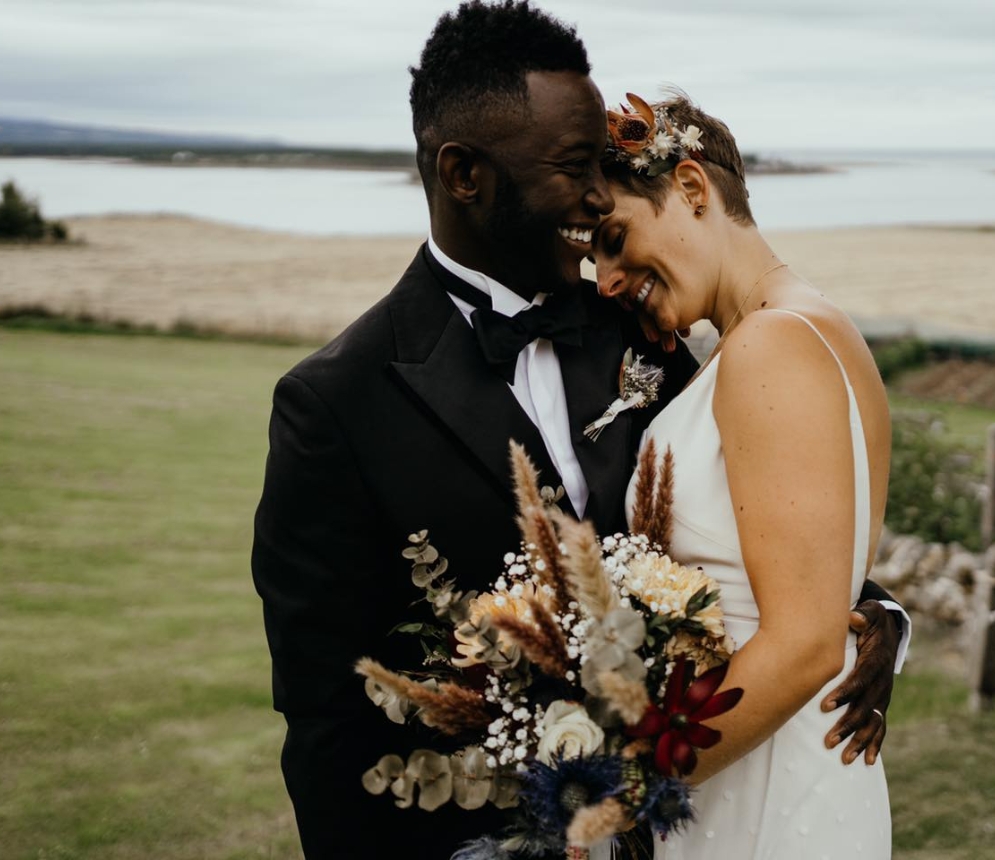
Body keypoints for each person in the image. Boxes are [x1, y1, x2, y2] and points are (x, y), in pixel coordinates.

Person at [251, 4, 906, 858]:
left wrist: (868, 611)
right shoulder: (335, 405)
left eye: (606, 172)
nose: (598, 196)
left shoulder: (650, 334)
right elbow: (327, 725)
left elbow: (771, 528)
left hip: (691, 811)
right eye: (574, 169)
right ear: (464, 174)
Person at [592, 92, 897, 857]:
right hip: (767, 765)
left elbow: (803, 643)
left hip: (763, 792)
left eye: (615, 237)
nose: (605, 279)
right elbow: (830, 589)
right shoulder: (813, 327)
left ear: (692, 189)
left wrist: (626, 782)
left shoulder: (771, 346)